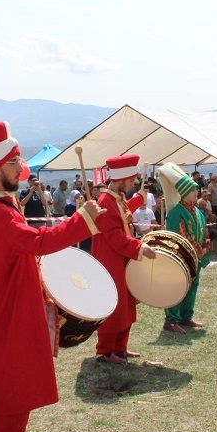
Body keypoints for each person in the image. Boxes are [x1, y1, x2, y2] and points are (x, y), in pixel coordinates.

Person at [0, 121, 105, 432]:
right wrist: (80, 220)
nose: (20, 169)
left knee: (24, 366)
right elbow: (34, 242)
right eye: (14, 164)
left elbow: (26, 239)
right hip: (7, 303)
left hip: (19, 294)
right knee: (10, 372)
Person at [90, 154, 156, 364]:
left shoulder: (115, 199)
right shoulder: (105, 201)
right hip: (110, 261)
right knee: (114, 306)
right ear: (119, 180)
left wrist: (138, 199)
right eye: (130, 181)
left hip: (121, 258)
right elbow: (115, 236)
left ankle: (120, 348)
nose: (132, 184)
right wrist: (140, 246)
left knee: (126, 304)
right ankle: (105, 351)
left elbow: (125, 214)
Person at [158, 162, 211, 334]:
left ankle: (186, 317)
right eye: (193, 190)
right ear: (184, 192)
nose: (197, 192)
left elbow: (204, 232)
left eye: (197, 189)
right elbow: (178, 236)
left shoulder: (198, 212)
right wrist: (196, 249)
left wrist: (205, 246)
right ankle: (171, 320)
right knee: (178, 286)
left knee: (193, 286)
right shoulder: (176, 212)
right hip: (181, 258)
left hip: (196, 257)